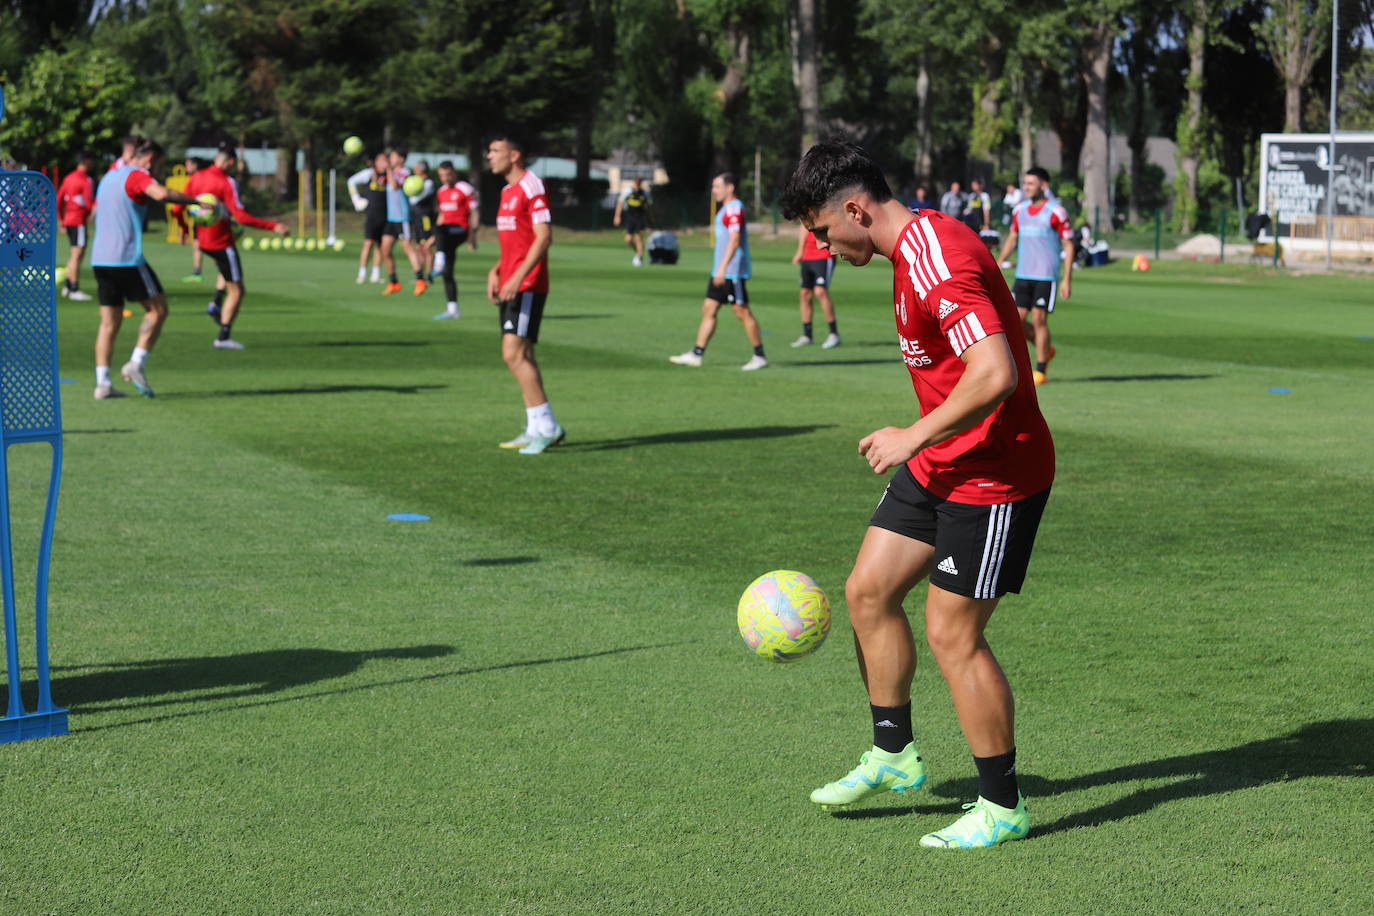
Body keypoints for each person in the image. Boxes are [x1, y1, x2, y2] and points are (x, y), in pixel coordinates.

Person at [779, 140, 1054, 849]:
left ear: (855, 209)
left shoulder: (939, 259)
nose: (822, 247)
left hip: (995, 475)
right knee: (868, 592)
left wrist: (910, 435)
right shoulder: (912, 250)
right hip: (942, 463)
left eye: (820, 232)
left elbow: (996, 373)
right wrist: (925, 443)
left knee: (952, 635)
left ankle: (1002, 807)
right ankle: (895, 755)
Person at [89, 139, 200, 399]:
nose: (158, 173)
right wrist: (195, 202)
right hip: (126, 259)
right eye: (159, 166)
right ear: (150, 159)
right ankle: (136, 363)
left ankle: (102, 384)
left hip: (100, 260)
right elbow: (161, 194)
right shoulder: (137, 175)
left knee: (109, 323)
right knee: (159, 310)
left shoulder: (109, 177)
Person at [485, 135, 564, 455]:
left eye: (495, 151)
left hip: (528, 285)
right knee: (522, 355)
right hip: (512, 281)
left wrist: (517, 277)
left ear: (514, 155)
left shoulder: (532, 185)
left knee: (513, 354)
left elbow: (544, 237)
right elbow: (516, 241)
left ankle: (548, 427)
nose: (489, 156)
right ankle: (535, 426)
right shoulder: (506, 191)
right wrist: (497, 269)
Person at [173, 141, 291, 350]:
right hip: (222, 243)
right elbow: (241, 217)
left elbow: (176, 209)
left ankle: (217, 303)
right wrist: (273, 226)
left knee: (226, 275)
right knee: (237, 291)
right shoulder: (226, 182)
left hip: (204, 242)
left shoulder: (197, 177)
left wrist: (184, 229)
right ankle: (223, 336)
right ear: (230, 162)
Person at [668, 173, 767, 371]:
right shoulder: (725, 210)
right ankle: (697, 354)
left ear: (730, 187)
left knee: (741, 311)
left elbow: (735, 239)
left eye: (717, 186)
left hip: (732, 272)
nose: (714, 191)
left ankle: (759, 356)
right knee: (709, 308)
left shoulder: (734, 209)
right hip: (721, 271)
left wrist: (722, 268)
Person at [996, 167, 1074, 385]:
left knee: (1039, 319)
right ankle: (1046, 349)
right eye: (1025, 183)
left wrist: (1067, 278)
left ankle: (1040, 369)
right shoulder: (1019, 211)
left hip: (1046, 275)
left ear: (1044, 185)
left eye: (1031, 183)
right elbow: (1012, 237)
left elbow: (1069, 244)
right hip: (1023, 273)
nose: (1026, 187)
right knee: (1016, 320)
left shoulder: (1056, 212)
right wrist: (1000, 260)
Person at [432, 160, 479, 320]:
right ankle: (453, 310)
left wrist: (473, 236)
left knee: (440, 231)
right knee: (448, 273)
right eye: (441, 175)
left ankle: (438, 261)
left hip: (460, 230)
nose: (445, 178)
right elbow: (441, 216)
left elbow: (474, 212)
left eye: (448, 175)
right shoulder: (441, 192)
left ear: (454, 173)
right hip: (445, 234)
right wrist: (434, 238)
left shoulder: (465, 189)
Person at [381, 146, 426, 296]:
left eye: (392, 156)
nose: (390, 159)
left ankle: (420, 280)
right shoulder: (392, 172)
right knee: (385, 249)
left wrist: (388, 170)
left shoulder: (404, 172)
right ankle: (393, 282)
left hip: (402, 217)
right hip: (391, 217)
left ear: (401, 159)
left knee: (407, 247)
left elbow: (394, 186)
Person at [790, 222, 840, 349]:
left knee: (820, 292)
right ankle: (807, 335)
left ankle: (833, 334)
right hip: (808, 255)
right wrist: (800, 251)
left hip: (823, 253)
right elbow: (803, 227)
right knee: (805, 294)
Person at [57, 151, 98, 301]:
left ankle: (68, 287)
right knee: (77, 254)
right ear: (86, 161)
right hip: (78, 220)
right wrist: (93, 213)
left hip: (69, 220)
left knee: (74, 253)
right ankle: (74, 288)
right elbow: (89, 202)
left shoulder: (68, 178)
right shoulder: (85, 180)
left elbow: (59, 199)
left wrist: (61, 219)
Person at [347, 153, 388, 283]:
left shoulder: (390, 176)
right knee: (368, 243)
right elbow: (351, 182)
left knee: (381, 246)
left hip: (386, 215)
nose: (384, 163)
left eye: (386, 160)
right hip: (372, 214)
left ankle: (376, 274)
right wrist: (356, 200)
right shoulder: (368, 174)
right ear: (376, 162)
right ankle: (362, 273)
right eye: (382, 161)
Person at [407, 159, 438, 279]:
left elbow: (415, 199)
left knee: (427, 247)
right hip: (416, 218)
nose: (414, 170)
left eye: (416, 168)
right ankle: (421, 273)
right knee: (419, 246)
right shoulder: (415, 181)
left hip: (426, 219)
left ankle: (430, 274)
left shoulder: (428, 183)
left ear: (421, 169)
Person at [180, 157, 208, 283]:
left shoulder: (199, 179)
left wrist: (183, 227)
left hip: (207, 217)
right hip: (199, 218)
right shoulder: (195, 179)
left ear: (195, 165)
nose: (186, 168)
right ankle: (197, 273)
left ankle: (224, 272)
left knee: (213, 247)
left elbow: (178, 206)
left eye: (188, 165)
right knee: (197, 244)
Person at [614, 176, 650, 266]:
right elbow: (620, 203)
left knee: (638, 238)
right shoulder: (628, 191)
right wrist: (617, 216)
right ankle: (638, 252)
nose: (637, 185)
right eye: (636, 183)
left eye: (639, 183)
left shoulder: (645, 193)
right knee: (628, 239)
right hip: (630, 217)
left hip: (640, 218)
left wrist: (648, 219)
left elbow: (647, 207)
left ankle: (639, 257)